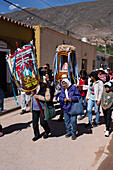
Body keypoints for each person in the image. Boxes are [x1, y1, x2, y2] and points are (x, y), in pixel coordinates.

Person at [32, 76, 51, 141]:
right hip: (34, 108)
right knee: (34, 123)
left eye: (43, 83)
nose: (42, 84)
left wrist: (39, 97)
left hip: (42, 108)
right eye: (41, 82)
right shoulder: (35, 88)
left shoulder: (47, 89)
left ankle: (47, 130)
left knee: (42, 122)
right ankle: (37, 134)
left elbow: (48, 98)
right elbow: (29, 93)